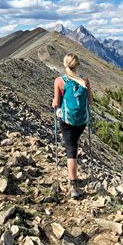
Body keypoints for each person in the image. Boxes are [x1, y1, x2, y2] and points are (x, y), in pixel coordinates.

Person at [52, 53, 93, 198]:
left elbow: (56, 103)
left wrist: (54, 103)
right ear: (77, 65)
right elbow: (90, 101)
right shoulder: (85, 81)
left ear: (65, 64)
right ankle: (74, 177)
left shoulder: (59, 81)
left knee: (70, 148)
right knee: (74, 145)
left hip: (67, 120)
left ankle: (73, 183)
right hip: (81, 121)